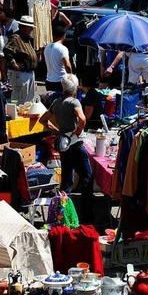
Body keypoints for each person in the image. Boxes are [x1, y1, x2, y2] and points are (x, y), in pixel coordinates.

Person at [39, 75, 93, 211]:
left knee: (66, 179)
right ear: (74, 87)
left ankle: (62, 212)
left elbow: (43, 120)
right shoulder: (74, 102)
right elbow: (82, 118)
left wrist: (57, 131)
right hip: (75, 143)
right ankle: (86, 211)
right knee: (87, 176)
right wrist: (78, 131)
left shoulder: (56, 102)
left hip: (63, 142)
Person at [4, 15, 38, 103]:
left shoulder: (27, 38)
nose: (31, 29)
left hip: (28, 72)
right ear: (23, 27)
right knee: (17, 98)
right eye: (30, 27)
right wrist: (14, 63)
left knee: (28, 99)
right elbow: (7, 50)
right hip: (20, 74)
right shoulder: (16, 37)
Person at [44, 24, 72, 92]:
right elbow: (67, 66)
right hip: (60, 81)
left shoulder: (47, 47)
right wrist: (71, 77)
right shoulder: (62, 48)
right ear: (64, 35)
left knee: (51, 101)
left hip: (49, 81)